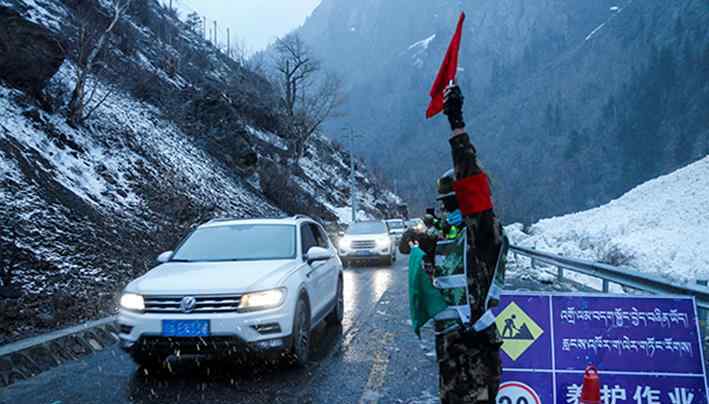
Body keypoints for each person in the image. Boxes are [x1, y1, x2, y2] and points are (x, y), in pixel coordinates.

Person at [432, 83, 507, 403]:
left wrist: (457, 127)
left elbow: (472, 184)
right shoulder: (455, 239)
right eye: (445, 205)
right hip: (452, 359)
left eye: (453, 204)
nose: (449, 211)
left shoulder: (485, 236)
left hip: (474, 362)